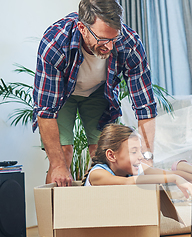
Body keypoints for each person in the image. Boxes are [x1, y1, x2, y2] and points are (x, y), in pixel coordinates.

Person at [33, 0, 157, 187]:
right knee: (64, 155)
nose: (109, 46)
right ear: (82, 28)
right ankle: (52, 216)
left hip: (99, 92)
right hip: (62, 94)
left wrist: (147, 161)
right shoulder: (55, 43)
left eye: (113, 39)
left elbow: (145, 107)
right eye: (102, 39)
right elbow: (45, 110)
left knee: (106, 157)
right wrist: (58, 165)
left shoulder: (129, 43)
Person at [81, 124, 192, 203]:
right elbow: (127, 182)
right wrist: (173, 178)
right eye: (134, 152)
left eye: (140, 151)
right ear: (111, 156)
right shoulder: (97, 174)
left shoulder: (133, 168)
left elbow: (166, 173)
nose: (141, 157)